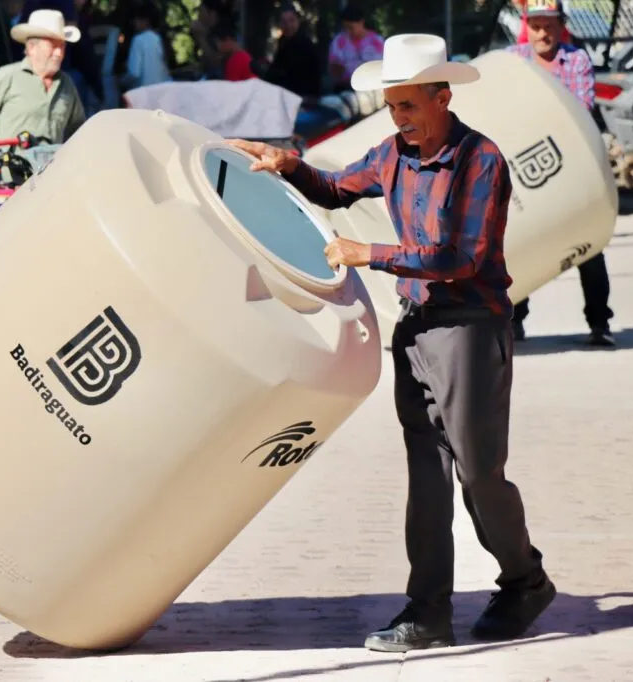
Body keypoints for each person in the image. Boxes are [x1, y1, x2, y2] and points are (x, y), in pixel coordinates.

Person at [227, 33, 556, 653]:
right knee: (426, 475)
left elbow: (461, 257)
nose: (397, 117)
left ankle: (526, 580)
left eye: (407, 105)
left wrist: (368, 254)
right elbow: (335, 189)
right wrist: (289, 164)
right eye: (391, 106)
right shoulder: (391, 153)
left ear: (441, 97)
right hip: (419, 330)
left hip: (470, 330)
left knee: (480, 474)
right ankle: (427, 610)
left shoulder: (480, 161)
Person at [507, 0, 615, 346]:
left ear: (560, 26)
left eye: (549, 25)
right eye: (536, 25)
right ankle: (514, 321)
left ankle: (600, 323)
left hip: (570, 167)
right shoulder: (512, 59)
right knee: (519, 243)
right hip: (523, 166)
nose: (543, 33)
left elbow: (580, 111)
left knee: (589, 246)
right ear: (528, 25)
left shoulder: (577, 61)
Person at [0, 10, 86, 155]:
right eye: (53, 46)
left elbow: (79, 129)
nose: (59, 53)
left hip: (52, 172)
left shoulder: (66, 84)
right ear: (32, 48)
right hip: (12, 170)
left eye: (62, 46)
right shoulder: (9, 75)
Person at [263, 5, 322, 98]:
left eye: (291, 21)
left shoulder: (305, 44)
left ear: (298, 22)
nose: (288, 25)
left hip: (304, 98)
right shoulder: (282, 42)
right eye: (284, 22)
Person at [327, 4, 384, 92]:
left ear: (361, 22)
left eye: (351, 27)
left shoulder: (377, 41)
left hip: (372, 88)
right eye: (345, 28)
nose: (348, 31)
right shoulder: (339, 41)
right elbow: (334, 68)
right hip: (345, 88)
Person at [120, 2, 172, 90]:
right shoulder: (159, 39)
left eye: (137, 19)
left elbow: (134, 73)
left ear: (146, 21)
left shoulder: (138, 40)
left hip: (145, 92)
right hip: (164, 89)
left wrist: (121, 82)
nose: (134, 23)